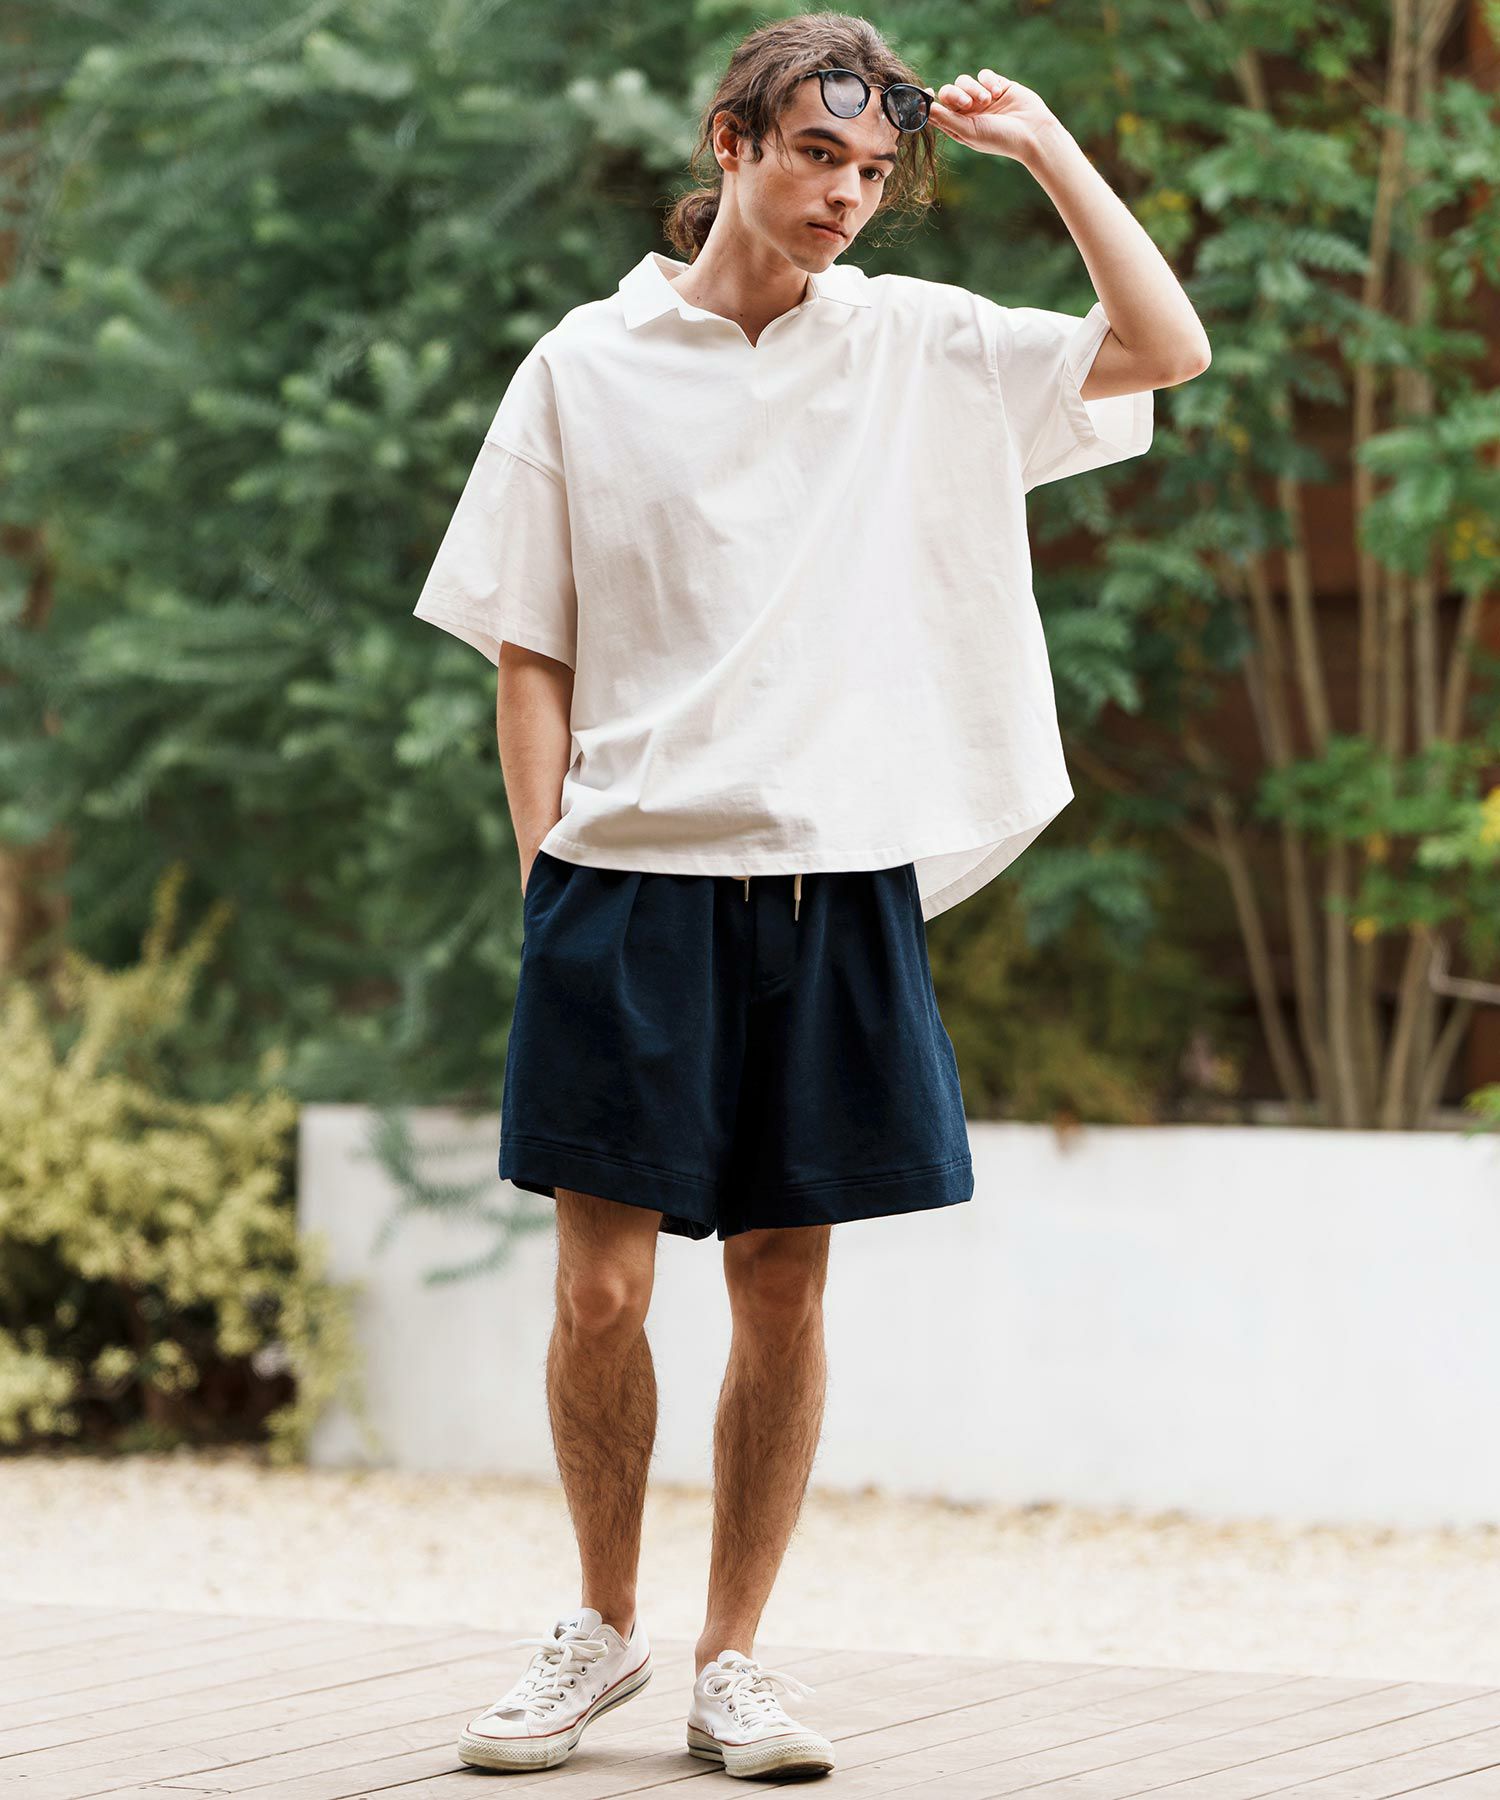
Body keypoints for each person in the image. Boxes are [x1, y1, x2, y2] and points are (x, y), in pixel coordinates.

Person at [414, 12, 1210, 1781]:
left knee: (784, 1285)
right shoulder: (585, 365)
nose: (848, 195)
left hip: (831, 884)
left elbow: (1168, 346)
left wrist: (1048, 149)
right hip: (624, 885)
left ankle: (735, 1664)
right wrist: (546, 871)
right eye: (817, 157)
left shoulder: (918, 346)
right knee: (600, 1296)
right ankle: (600, 1629)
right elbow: (526, 645)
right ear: (732, 145)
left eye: (872, 171)